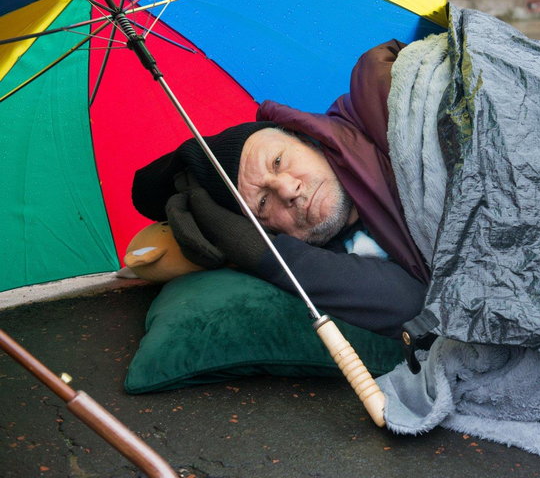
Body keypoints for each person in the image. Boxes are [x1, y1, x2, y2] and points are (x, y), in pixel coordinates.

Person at [132, 41, 427, 340]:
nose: (287, 190)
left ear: (307, 138)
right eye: (262, 203)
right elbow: (413, 306)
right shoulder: (341, 253)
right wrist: (263, 254)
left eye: (277, 161)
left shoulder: (382, 98)